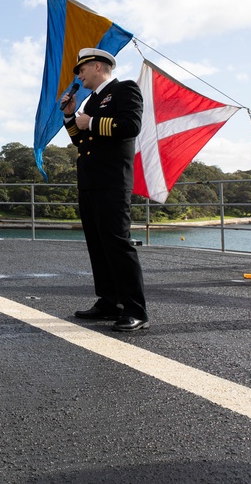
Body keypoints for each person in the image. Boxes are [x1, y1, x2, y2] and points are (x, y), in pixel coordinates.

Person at [61, 48, 149, 332]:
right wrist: (70, 116)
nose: (79, 75)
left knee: (117, 244)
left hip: (112, 180)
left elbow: (131, 126)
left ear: (97, 66)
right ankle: (109, 301)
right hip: (90, 181)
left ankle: (136, 310)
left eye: (82, 69)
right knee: (97, 244)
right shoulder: (93, 100)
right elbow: (81, 141)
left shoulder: (125, 89)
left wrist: (93, 122)